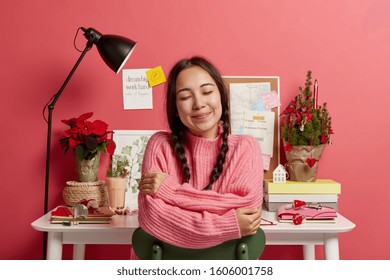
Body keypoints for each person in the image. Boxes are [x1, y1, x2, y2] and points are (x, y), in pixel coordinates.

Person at [133, 56, 263, 257]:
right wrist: (228, 223)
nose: (199, 104)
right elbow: (152, 217)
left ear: (221, 95)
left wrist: (170, 192)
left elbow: (248, 211)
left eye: (207, 91)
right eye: (185, 97)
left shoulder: (246, 147)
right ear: (175, 109)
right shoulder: (160, 145)